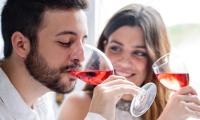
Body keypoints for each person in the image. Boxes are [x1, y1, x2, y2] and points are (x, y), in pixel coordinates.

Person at [0, 0, 140, 120]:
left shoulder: (41, 97)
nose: (82, 57)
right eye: (65, 42)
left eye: (83, 41)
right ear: (21, 44)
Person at [58, 3, 200, 120]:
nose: (124, 62)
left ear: (155, 61)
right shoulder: (79, 105)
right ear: (103, 48)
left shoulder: (173, 107)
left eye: (139, 53)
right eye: (115, 48)